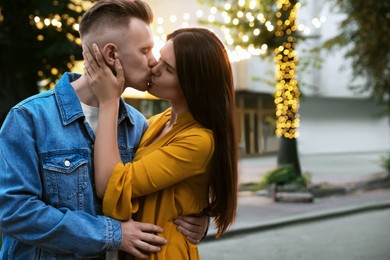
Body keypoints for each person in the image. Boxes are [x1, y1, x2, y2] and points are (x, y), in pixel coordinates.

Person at [0, 0, 208, 259]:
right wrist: (112, 234)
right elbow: (14, 212)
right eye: (145, 50)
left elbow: (165, 188)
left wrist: (199, 217)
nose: (154, 61)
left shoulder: (139, 124)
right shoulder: (29, 118)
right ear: (112, 55)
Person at [83, 26, 238, 259]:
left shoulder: (199, 140)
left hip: (163, 252)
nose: (154, 67)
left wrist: (109, 101)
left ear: (192, 85)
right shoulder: (160, 120)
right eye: (159, 57)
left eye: (168, 69)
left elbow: (114, 185)